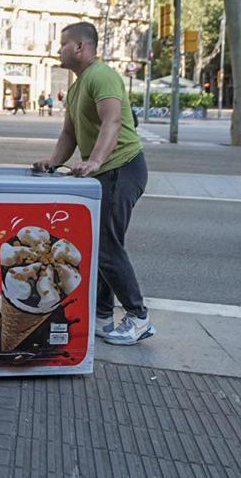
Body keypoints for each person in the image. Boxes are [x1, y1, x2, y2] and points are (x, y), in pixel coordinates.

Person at [33, 21, 154, 346]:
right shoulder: (76, 87)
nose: (57, 51)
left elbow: (112, 120)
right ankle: (102, 317)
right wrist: (54, 161)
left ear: (80, 47)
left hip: (122, 168)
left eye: (62, 45)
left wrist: (96, 160)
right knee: (102, 247)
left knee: (105, 246)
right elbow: (69, 134)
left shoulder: (102, 76)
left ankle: (138, 317)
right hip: (105, 171)